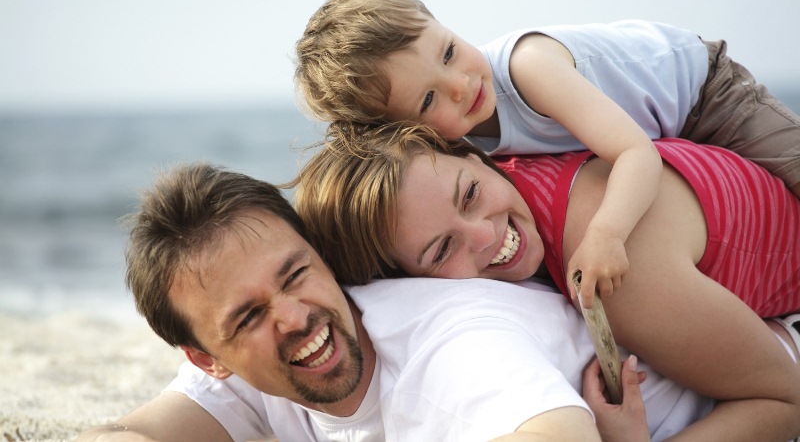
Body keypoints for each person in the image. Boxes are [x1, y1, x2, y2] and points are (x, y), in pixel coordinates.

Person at [76, 162, 726, 442]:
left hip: (726, 393)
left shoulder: (454, 343)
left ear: (319, 255)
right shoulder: (254, 370)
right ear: (207, 356)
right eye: (248, 316)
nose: (294, 314)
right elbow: (136, 432)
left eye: (296, 272)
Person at [295, 0, 800, 309]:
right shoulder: (461, 141)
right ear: (406, 132)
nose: (458, 84)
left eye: (448, 51)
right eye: (428, 98)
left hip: (703, 91)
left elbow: (635, 155)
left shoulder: (528, 70)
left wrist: (605, 233)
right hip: (655, 127)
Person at [292, 121, 800, 441]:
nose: (485, 234)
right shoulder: (516, 171)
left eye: (469, 195)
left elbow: (786, 400)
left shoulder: (617, 271)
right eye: (442, 249)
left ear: (473, 157)